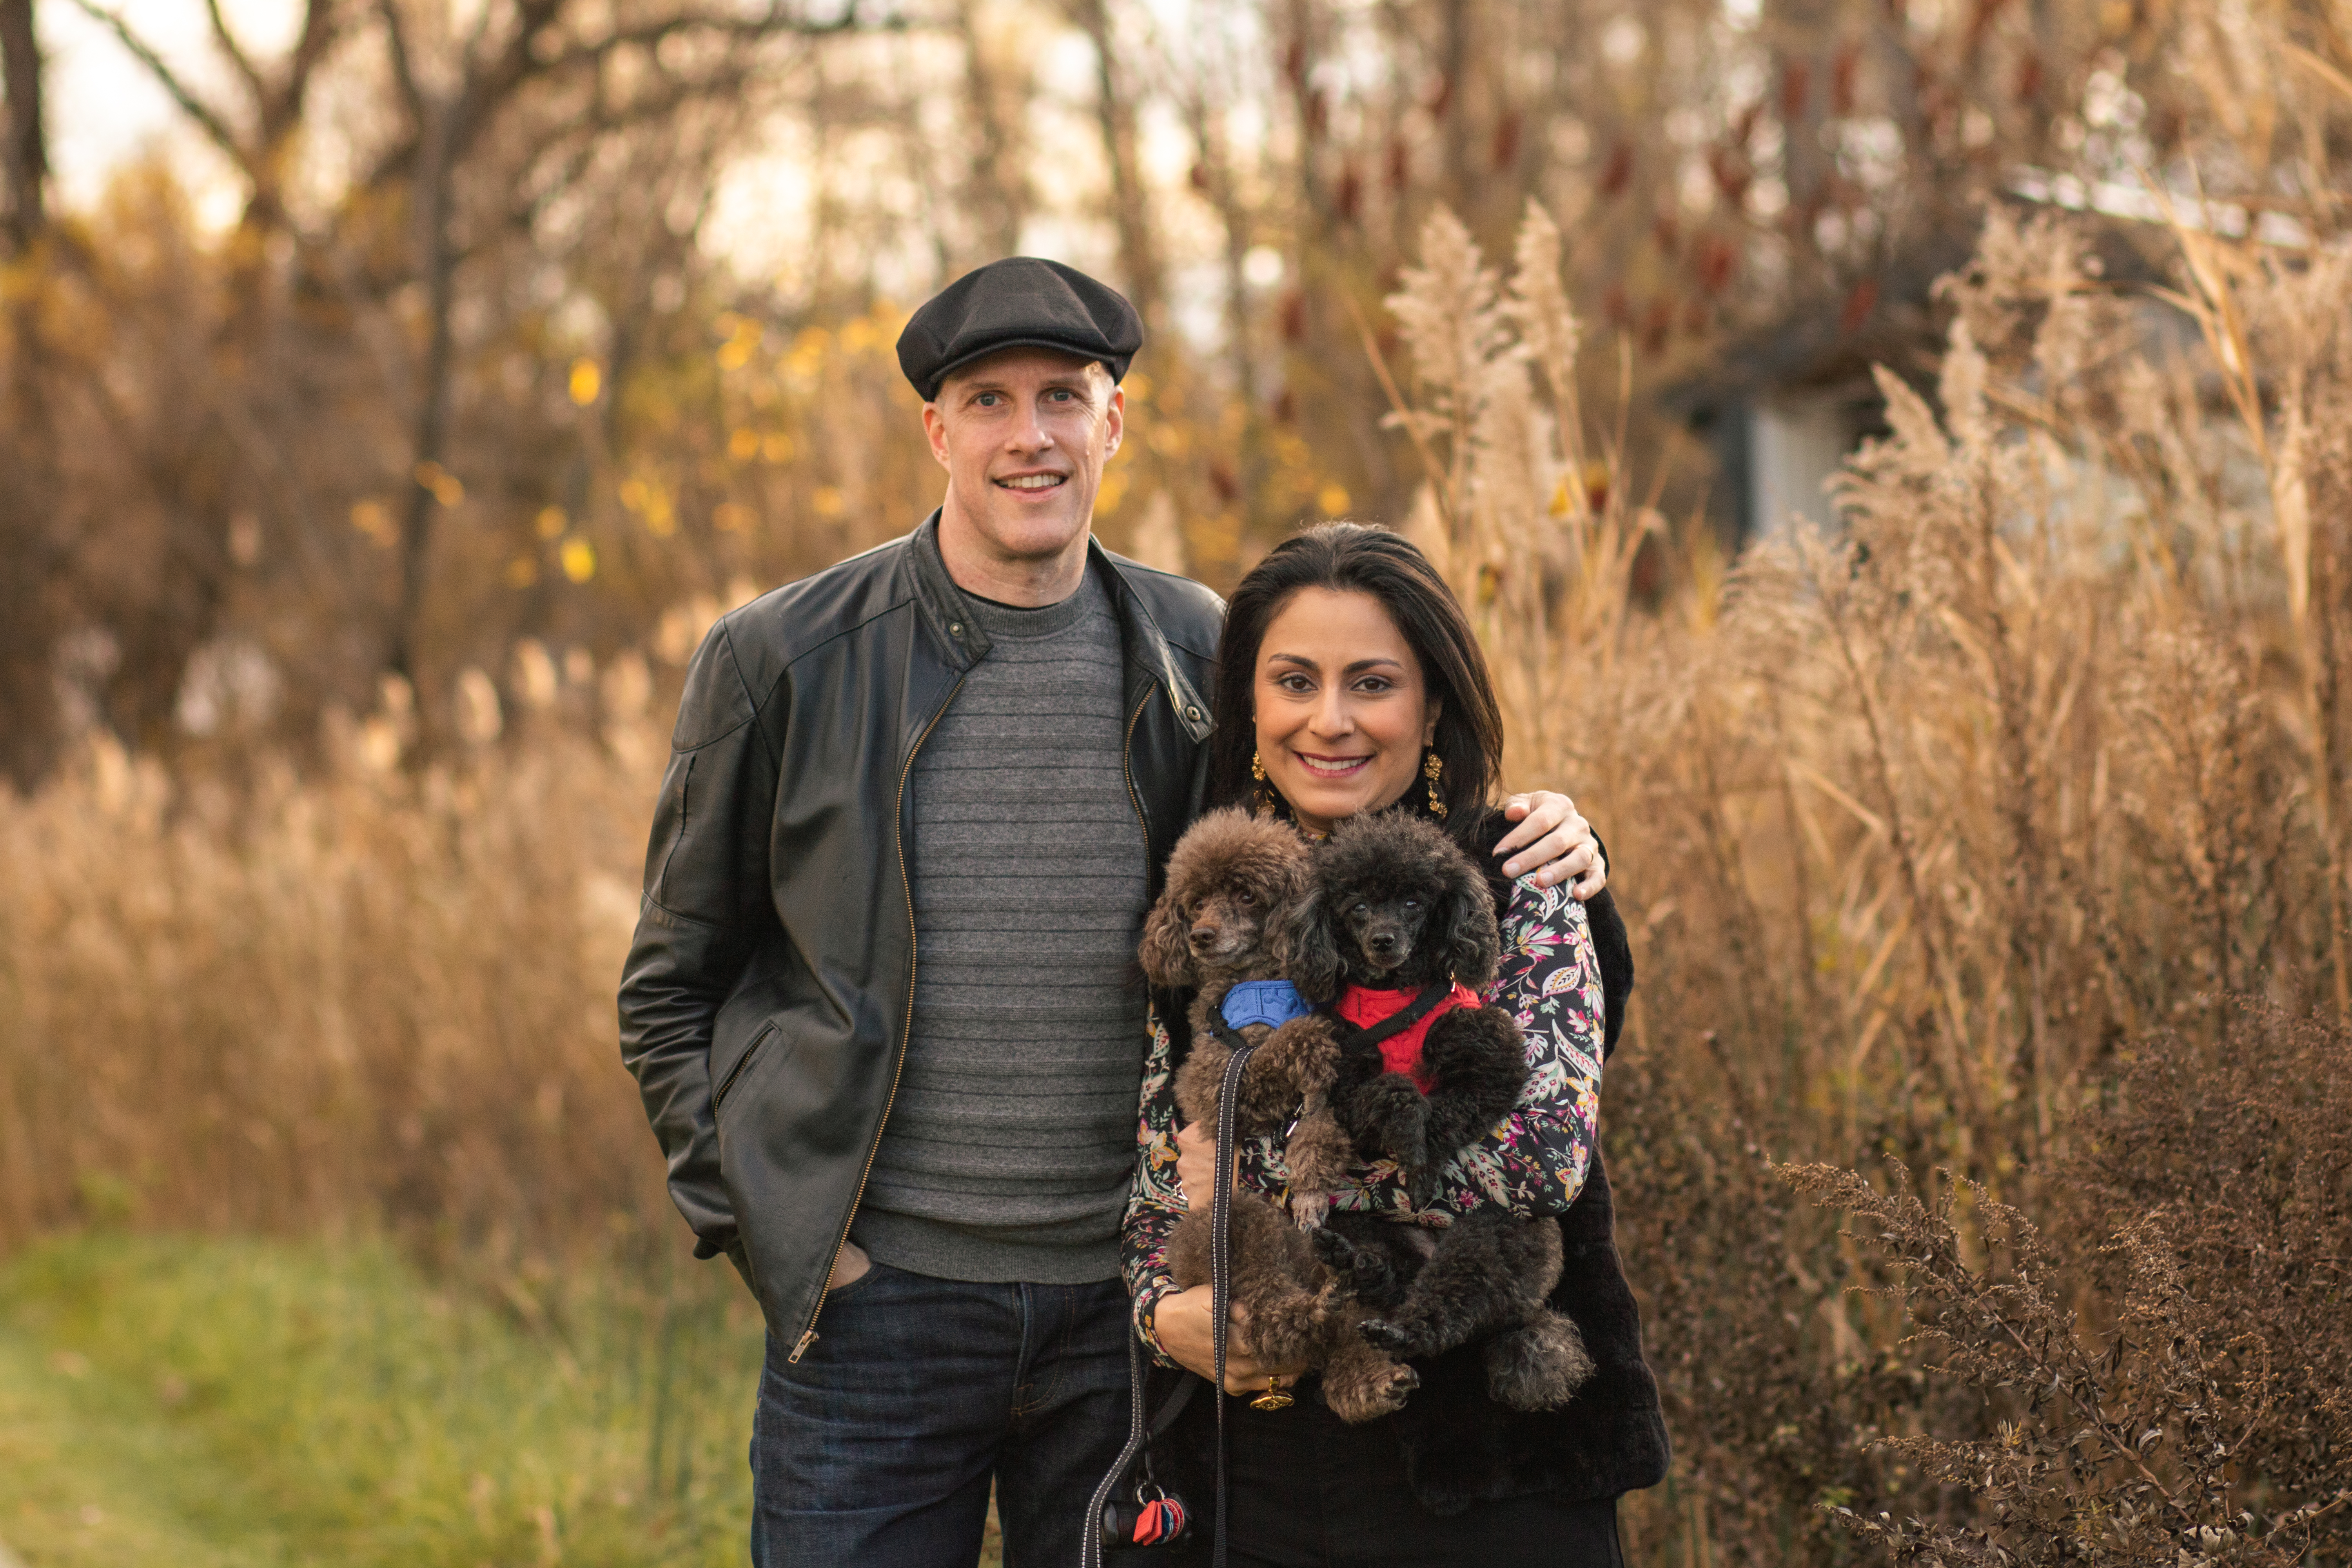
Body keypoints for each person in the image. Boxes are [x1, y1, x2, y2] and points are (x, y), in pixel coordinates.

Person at [616, 257, 1610, 1568]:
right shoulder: (784, 661)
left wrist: (1552, 826)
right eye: (988, 401)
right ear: (938, 429)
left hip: (1123, 1320)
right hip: (880, 1313)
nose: (1029, 437)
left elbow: (1335, 815)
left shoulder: (1196, 649)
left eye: (1063, 398)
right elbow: (670, 985)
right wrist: (772, 1229)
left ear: (1114, 423)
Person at [1122, 523, 1670, 1567]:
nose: (1329, 721)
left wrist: (1259, 1174)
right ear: (1249, 709)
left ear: (1432, 710)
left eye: (1371, 683)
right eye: (1294, 681)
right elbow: (1157, 1177)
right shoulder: (1214, 899)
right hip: (1255, 1469)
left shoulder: (1520, 877)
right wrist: (1164, 1311)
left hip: (1492, 1466)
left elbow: (1540, 1159)